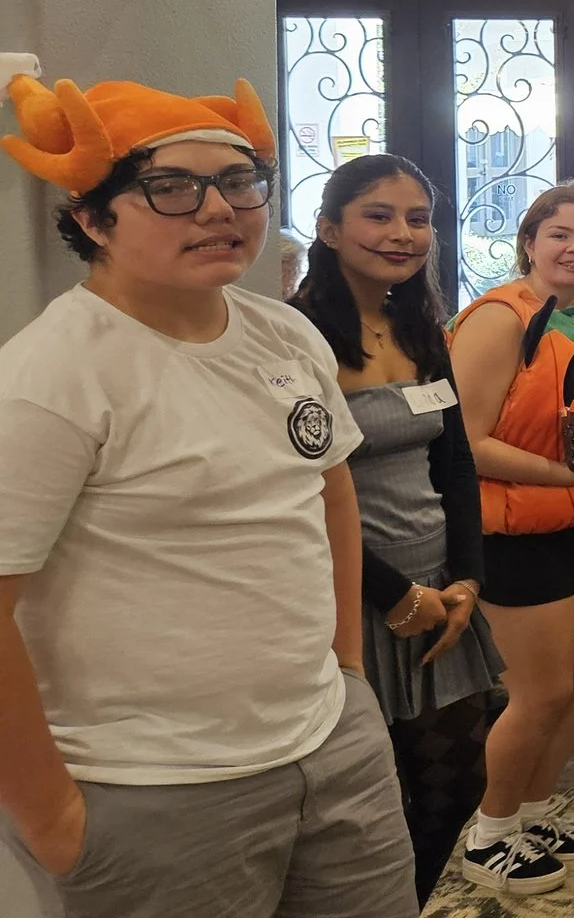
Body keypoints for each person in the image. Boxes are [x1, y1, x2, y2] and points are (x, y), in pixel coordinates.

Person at [0, 74, 414, 917]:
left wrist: (345, 673)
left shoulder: (283, 331)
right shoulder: (52, 375)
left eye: (237, 182)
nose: (218, 209)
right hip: (152, 786)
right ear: (91, 219)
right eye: (171, 188)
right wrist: (51, 817)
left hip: (330, 748)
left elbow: (328, 489)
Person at [291, 155, 503, 903]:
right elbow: (299, 491)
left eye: (418, 219)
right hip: (354, 600)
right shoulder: (296, 337)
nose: (402, 233)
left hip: (441, 598)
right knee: (361, 808)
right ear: (328, 228)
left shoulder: (418, 325)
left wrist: (467, 578)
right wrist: (394, 595)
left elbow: (456, 465)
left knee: (455, 790)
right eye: (379, 215)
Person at [448, 180, 574, 894]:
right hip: (516, 526)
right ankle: (490, 833)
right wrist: (560, 474)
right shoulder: (498, 319)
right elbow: (463, 441)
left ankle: (534, 814)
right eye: (560, 234)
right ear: (528, 242)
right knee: (538, 692)